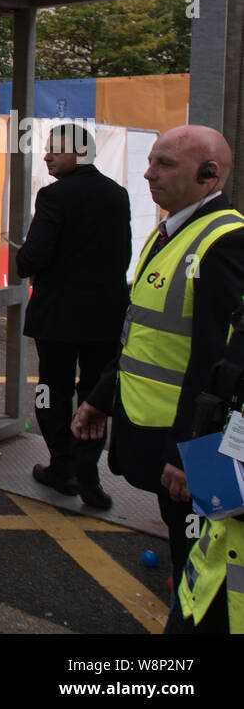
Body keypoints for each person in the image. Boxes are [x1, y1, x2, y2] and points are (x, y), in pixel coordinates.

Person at [75, 125, 244, 592]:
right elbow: (141, 333)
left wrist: (188, 451)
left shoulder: (224, 242)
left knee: (207, 545)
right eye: (150, 161)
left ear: (210, 175)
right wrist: (101, 398)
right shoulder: (169, 232)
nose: (149, 173)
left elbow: (219, 361)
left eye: (165, 164)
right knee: (183, 533)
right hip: (156, 425)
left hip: (192, 440)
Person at [17, 123, 131, 510]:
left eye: (55, 149)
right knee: (95, 393)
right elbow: (122, 256)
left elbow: (34, 256)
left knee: (52, 389)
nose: (46, 155)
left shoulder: (54, 197)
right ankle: (88, 471)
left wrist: (23, 257)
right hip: (104, 318)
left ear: (80, 154)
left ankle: (61, 467)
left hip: (58, 319)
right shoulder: (118, 195)